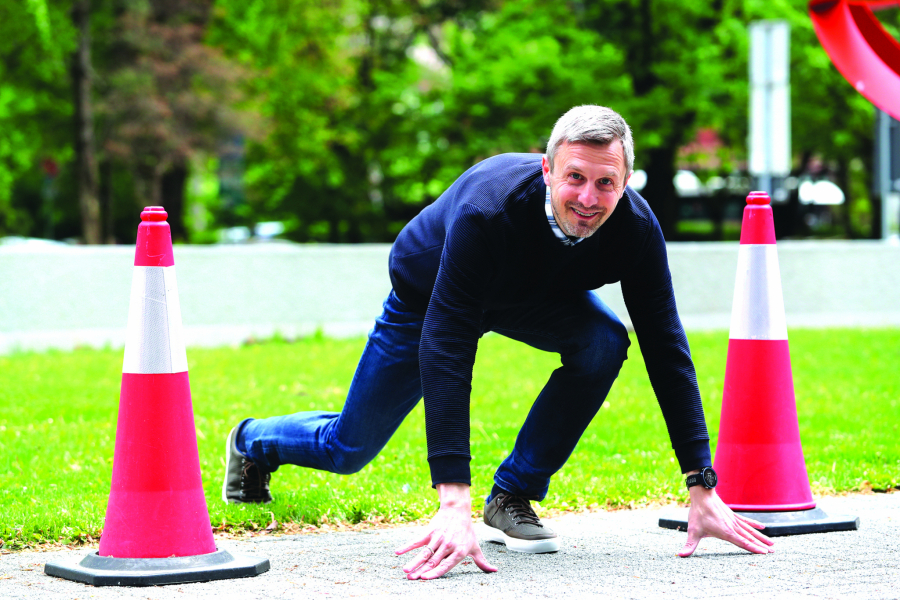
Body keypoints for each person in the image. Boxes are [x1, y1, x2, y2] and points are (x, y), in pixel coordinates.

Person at [222, 105, 774, 580]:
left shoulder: (635, 228)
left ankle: (512, 493)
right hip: (429, 293)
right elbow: (447, 345)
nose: (588, 197)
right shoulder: (489, 212)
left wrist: (701, 484)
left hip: (530, 292)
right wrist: (452, 500)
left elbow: (666, 344)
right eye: (574, 178)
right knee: (348, 449)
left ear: (626, 181)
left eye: (606, 183)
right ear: (547, 169)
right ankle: (253, 442)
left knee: (605, 341)